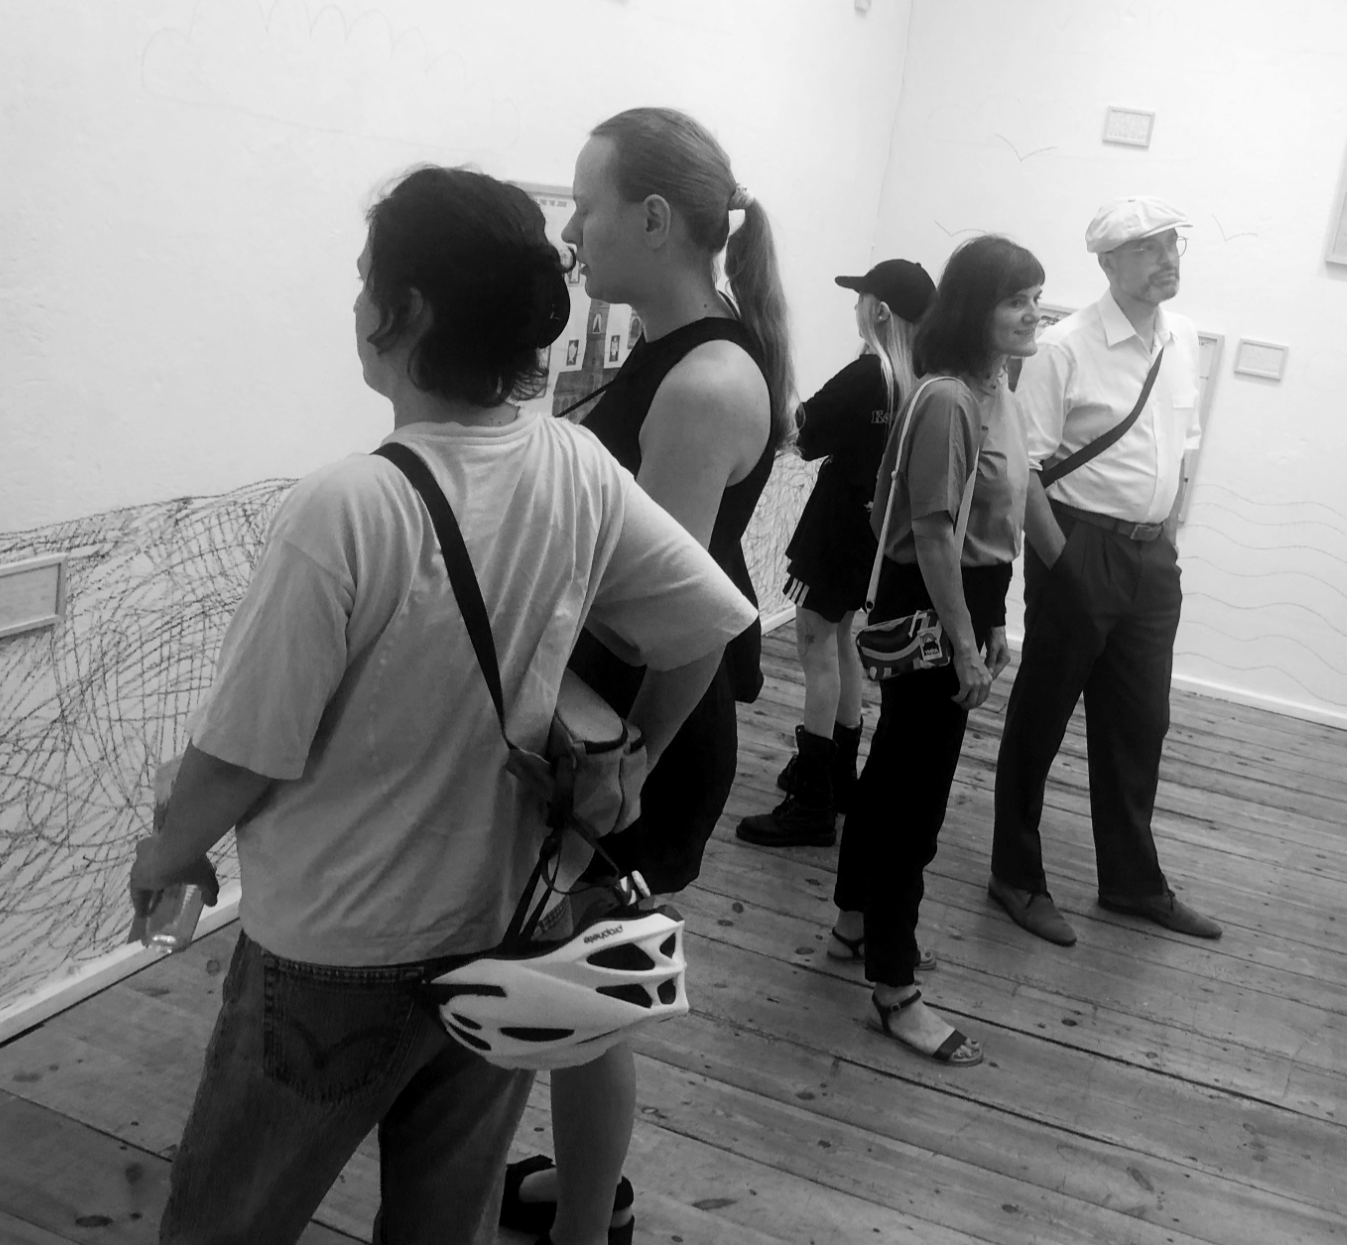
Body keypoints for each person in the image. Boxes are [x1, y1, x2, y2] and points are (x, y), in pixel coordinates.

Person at [126, 166, 755, 1245]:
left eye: (365, 278)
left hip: (330, 952)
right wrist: (638, 754)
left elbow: (244, 753)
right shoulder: (574, 464)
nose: (356, 301)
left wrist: (166, 853)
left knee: (228, 1220)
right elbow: (705, 627)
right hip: (499, 938)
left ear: (406, 310)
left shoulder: (346, 506)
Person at [500, 106, 790, 1245]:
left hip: (639, 728)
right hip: (610, 718)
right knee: (575, 973)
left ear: (655, 219)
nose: (573, 230)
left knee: (591, 992)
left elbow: (676, 621)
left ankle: (585, 1222)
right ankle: (586, 1184)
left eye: (587, 204)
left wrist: (631, 765)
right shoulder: (684, 353)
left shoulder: (705, 382)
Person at [985, 195, 1223, 949]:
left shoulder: (1182, 338)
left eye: (1172, 244)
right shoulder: (1064, 347)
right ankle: (1015, 875)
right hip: (1079, 545)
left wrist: (1167, 532)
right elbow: (1023, 469)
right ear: (1109, 262)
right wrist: (1063, 563)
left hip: (1151, 558)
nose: (1167, 259)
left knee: (1140, 722)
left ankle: (1131, 881)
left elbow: (1185, 443)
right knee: (1042, 715)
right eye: (1147, 248)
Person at [829, 235, 1037, 1067]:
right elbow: (935, 533)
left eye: (1036, 297)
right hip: (935, 604)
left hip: (967, 600)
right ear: (974, 309)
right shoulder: (950, 398)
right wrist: (964, 644)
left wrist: (996, 617)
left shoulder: (997, 389)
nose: (1032, 313)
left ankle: (855, 923)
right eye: (1015, 299)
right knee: (914, 801)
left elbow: (997, 518)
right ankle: (896, 987)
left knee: (890, 775)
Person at [737, 259, 934, 849]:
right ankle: (839, 773)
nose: (855, 309)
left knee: (814, 645)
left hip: (837, 530)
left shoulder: (867, 374)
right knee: (842, 639)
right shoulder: (921, 382)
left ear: (880, 311)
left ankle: (813, 799)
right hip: (873, 536)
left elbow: (805, 429)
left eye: (861, 299)